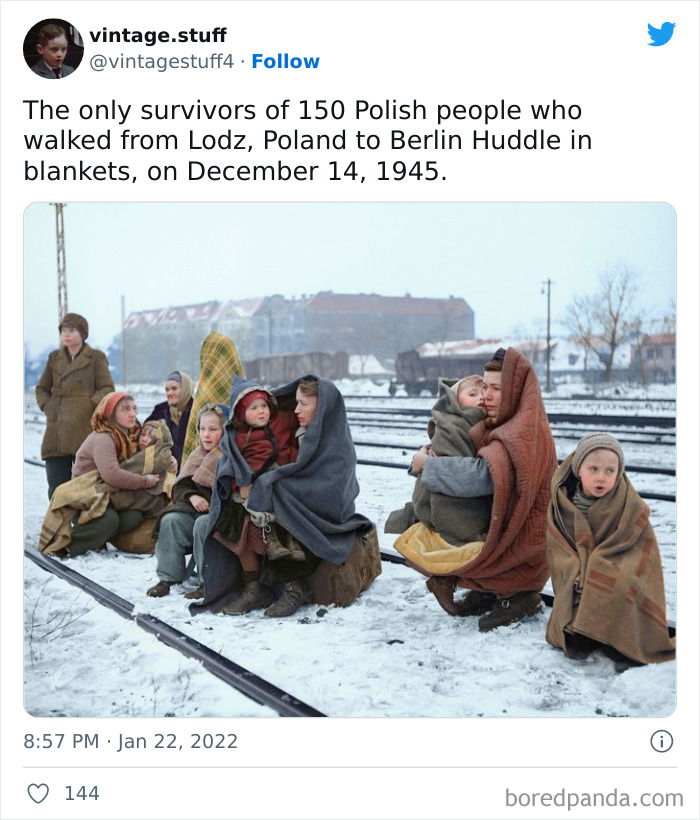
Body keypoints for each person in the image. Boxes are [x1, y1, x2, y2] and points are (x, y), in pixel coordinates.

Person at [404, 347, 557, 631]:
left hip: (524, 540)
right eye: (484, 386)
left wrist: (428, 466)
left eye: (496, 388)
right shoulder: (504, 421)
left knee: (451, 536)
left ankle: (516, 595)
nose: (486, 395)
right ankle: (489, 589)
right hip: (509, 525)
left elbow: (481, 477)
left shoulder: (518, 432)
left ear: (515, 390)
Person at [198, 376, 374, 618]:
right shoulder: (296, 429)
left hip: (322, 516)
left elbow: (328, 489)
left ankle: (295, 587)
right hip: (282, 502)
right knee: (236, 516)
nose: (296, 409)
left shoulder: (335, 443)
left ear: (321, 407)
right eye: (297, 402)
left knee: (280, 512)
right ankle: (254, 586)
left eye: (304, 404)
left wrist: (274, 484)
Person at [546, 433, 675, 667]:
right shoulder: (563, 505)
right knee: (579, 632)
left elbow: (641, 552)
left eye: (609, 471)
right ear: (578, 469)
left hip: (618, 564)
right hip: (577, 571)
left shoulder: (629, 506)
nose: (601, 478)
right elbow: (559, 550)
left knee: (620, 581)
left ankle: (619, 638)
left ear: (619, 472)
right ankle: (585, 629)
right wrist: (579, 568)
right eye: (593, 469)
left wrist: (598, 564)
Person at [393, 375, 490, 615]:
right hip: (451, 501)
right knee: (474, 541)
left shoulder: (480, 424)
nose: (480, 400)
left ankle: (470, 586)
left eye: (483, 394)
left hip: (466, 494)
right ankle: (446, 580)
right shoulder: (452, 427)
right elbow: (455, 468)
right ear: (455, 402)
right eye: (472, 395)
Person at [208, 376, 300, 614]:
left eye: (264, 406)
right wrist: (240, 482)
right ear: (240, 413)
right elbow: (229, 465)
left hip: (279, 489)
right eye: (253, 407)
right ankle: (254, 586)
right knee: (236, 522)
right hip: (249, 495)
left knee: (277, 527)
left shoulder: (281, 424)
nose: (261, 411)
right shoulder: (236, 437)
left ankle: (293, 585)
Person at [61, 392, 164, 556]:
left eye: (134, 409)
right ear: (111, 414)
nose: (133, 414)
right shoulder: (104, 438)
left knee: (134, 517)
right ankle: (68, 547)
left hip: (105, 498)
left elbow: (145, 456)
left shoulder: (125, 436)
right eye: (125, 409)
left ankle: (98, 537)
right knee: (110, 520)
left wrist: (169, 460)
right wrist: (144, 481)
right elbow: (112, 475)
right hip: (86, 500)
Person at [146, 404, 227, 598]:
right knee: (171, 520)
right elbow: (181, 485)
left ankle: (207, 582)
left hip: (224, 517)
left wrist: (213, 506)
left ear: (225, 430)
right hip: (197, 511)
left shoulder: (229, 456)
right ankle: (168, 577)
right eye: (202, 429)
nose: (206, 435)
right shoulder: (196, 455)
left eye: (213, 429)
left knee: (202, 524)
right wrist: (193, 496)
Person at [35, 313, 115, 499]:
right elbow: (42, 388)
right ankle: (59, 526)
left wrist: (87, 406)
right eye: (63, 330)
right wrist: (50, 407)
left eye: (71, 330)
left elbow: (107, 388)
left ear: (82, 333)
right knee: (57, 486)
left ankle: (82, 527)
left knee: (86, 485)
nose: (66, 334)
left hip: (84, 428)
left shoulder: (96, 357)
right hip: (56, 432)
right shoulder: (54, 358)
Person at [144, 371, 194, 468]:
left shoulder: (197, 411)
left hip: (190, 469)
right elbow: (144, 433)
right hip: (165, 468)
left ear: (185, 389)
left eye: (174, 388)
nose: (169, 393)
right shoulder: (160, 410)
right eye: (167, 390)